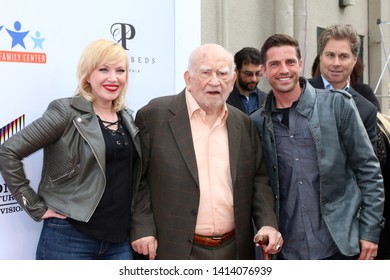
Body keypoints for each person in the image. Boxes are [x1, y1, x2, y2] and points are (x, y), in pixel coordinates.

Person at [130, 43, 282, 260]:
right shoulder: (154, 116)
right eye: (205, 72)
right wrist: (143, 228)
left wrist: (267, 224)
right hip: (173, 249)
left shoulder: (243, 124)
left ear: (232, 81)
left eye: (222, 74)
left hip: (234, 250)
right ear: (187, 78)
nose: (214, 81)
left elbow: (259, 180)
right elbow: (138, 181)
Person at [0, 39, 141, 260]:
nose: (113, 78)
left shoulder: (128, 118)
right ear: (88, 75)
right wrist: (35, 207)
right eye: (103, 69)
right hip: (69, 238)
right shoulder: (66, 112)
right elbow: (8, 151)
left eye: (120, 70)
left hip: (119, 241)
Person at [250, 34, 385, 260]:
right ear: (264, 71)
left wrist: (370, 231)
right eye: (274, 64)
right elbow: (259, 184)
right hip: (287, 252)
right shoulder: (256, 122)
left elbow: (368, 171)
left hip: (340, 247)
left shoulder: (337, 105)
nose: (284, 70)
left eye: (290, 62)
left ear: (300, 65)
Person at [308, 24, 378, 148]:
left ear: (355, 59)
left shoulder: (366, 110)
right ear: (320, 56)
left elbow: (367, 164)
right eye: (330, 55)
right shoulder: (300, 92)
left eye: (343, 56)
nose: (336, 63)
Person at [226, 47, 267, 114]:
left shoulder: (267, 100)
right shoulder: (224, 98)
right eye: (248, 74)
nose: (254, 79)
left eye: (258, 73)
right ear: (236, 72)